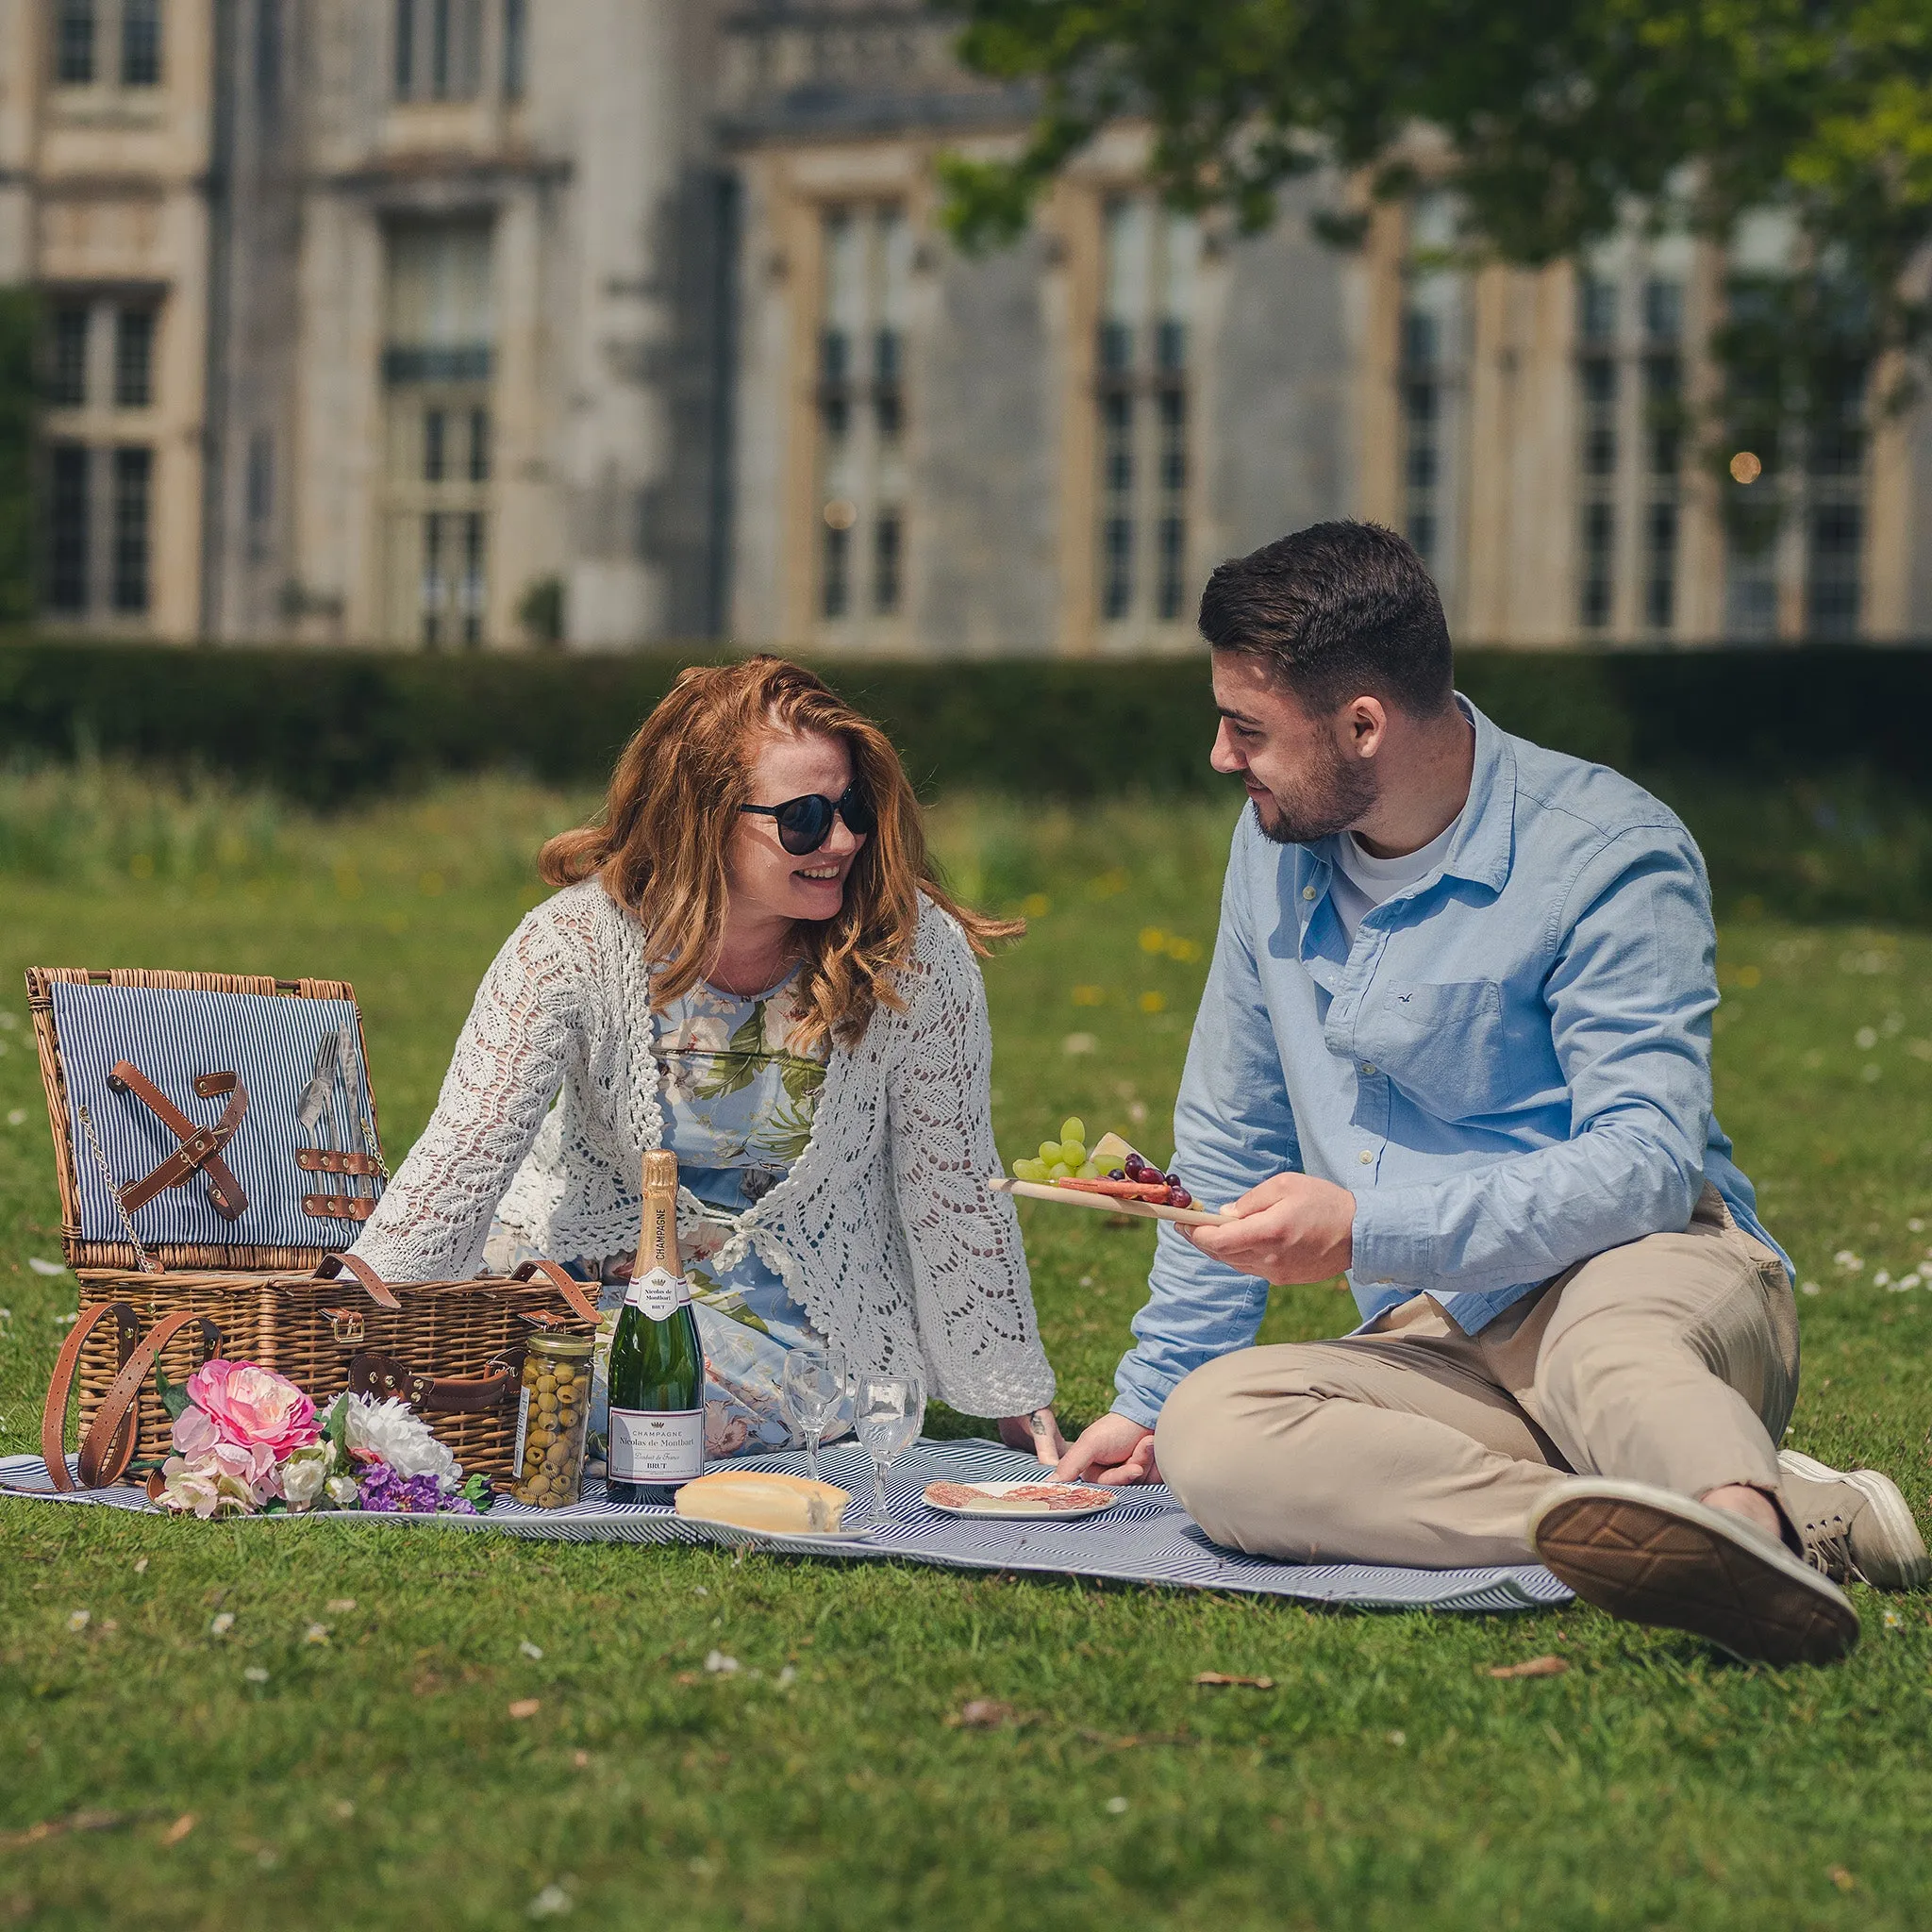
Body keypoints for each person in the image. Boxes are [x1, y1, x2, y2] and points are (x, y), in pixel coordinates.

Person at [1055, 522, 1926, 1663]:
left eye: (1246, 727)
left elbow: (1645, 1163)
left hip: (1645, 1272)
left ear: (1361, 721)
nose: (1222, 755)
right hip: (1441, 1338)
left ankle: (1734, 1520)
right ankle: (1696, 1523)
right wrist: (1151, 1395)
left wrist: (1369, 1226)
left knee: (1603, 1357)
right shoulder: (1268, 849)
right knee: (1217, 1431)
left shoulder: (1607, 849)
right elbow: (1228, 1139)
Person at [352, 655, 1064, 1466]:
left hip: (800, 1324)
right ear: (705, 818)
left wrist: (1013, 1397)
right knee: (491, 1378)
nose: (842, 839)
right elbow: (464, 1157)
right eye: (802, 818)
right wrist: (345, 1351)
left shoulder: (912, 952)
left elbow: (953, 1182)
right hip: (573, 1279)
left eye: (854, 806)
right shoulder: (569, 945)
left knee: (597, 1412)